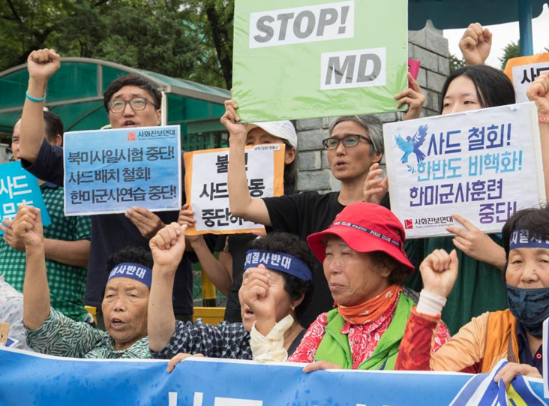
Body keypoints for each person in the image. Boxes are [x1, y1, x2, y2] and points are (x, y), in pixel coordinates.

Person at [366, 65, 549, 334]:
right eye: (446, 104)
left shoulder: (518, 178)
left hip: (503, 334)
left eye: (468, 102)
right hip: (440, 336)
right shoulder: (429, 191)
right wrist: (377, 209)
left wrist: (497, 256)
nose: (453, 111)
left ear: (500, 109)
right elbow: (403, 271)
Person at [17, 49, 194, 323]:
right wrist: (37, 82)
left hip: (169, 297)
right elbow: (31, 151)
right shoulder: (90, 160)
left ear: (159, 114)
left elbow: (203, 245)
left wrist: (161, 230)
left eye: (139, 102)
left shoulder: (185, 165)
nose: (128, 111)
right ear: (110, 117)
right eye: (117, 105)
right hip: (111, 297)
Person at [222, 100, 393, 326]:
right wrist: (237, 139)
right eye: (333, 142)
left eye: (351, 140)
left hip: (376, 333)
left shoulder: (393, 208)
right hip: (314, 338)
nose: (339, 150)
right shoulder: (308, 206)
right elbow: (242, 206)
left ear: (377, 152)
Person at [395, 204, 549, 387]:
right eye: (517, 261)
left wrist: (542, 392)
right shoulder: (487, 331)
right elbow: (410, 389)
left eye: (544, 261)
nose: (527, 275)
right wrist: (432, 298)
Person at [247, 202, 450, 370]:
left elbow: (434, 399)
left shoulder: (426, 330)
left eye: (346, 254)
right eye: (328, 254)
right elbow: (284, 390)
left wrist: (347, 387)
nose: (333, 268)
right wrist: (265, 318)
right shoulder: (324, 325)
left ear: (385, 265)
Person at [180, 120, 299, 323]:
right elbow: (230, 285)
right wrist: (197, 241)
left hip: (286, 326)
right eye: (248, 142)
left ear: (290, 154)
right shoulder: (228, 208)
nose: (254, 149)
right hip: (238, 324)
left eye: (266, 142)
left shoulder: (301, 206)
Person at [148, 226, 315, 370]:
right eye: (246, 282)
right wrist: (164, 270)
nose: (249, 295)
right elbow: (166, 342)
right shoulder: (234, 338)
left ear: (297, 297)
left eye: (263, 284)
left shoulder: (316, 348)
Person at [16, 204, 152, 359]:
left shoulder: (166, 351)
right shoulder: (94, 343)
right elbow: (41, 326)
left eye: (133, 295)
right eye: (110, 296)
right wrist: (34, 247)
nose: (118, 306)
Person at [0, 111, 91, 321]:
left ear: (56, 142)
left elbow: (91, 251)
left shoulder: (75, 188)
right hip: (5, 317)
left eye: (30, 139)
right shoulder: (4, 189)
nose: (21, 147)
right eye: (16, 140)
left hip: (59, 316)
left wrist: (35, 244)